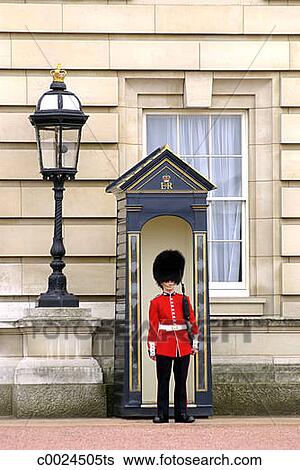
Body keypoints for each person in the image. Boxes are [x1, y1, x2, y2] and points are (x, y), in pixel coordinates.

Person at [147, 250, 199, 424]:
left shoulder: (184, 299)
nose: (169, 283)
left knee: (181, 381)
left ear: (176, 279)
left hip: (183, 345)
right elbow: (153, 326)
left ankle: (181, 414)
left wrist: (195, 343)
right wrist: (152, 347)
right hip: (164, 345)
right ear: (161, 282)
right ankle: (162, 414)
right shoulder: (155, 302)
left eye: (172, 280)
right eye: (166, 280)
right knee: (163, 382)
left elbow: (192, 321)